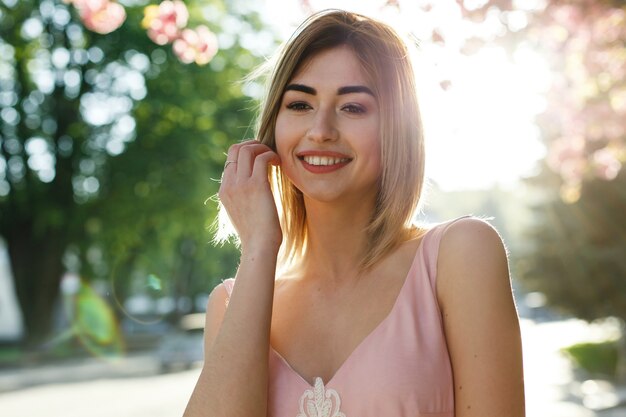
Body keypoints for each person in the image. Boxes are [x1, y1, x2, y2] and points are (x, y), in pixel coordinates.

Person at [184, 9, 525, 417]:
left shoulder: (459, 256)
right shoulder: (230, 302)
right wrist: (258, 247)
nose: (321, 129)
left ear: (397, 128)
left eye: (353, 108)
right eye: (299, 104)